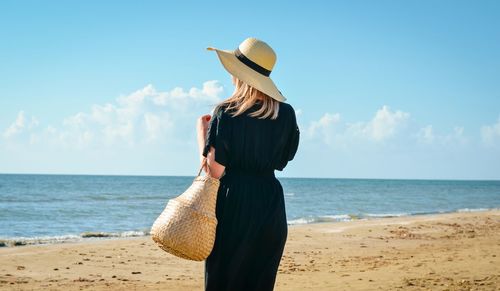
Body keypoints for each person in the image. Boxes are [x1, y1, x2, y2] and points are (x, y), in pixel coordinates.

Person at [196, 37, 300, 291]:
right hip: (270, 203)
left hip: (234, 203)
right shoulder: (286, 114)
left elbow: (214, 172)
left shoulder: (227, 112)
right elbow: (283, 160)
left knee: (224, 281)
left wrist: (203, 133)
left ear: (238, 73)